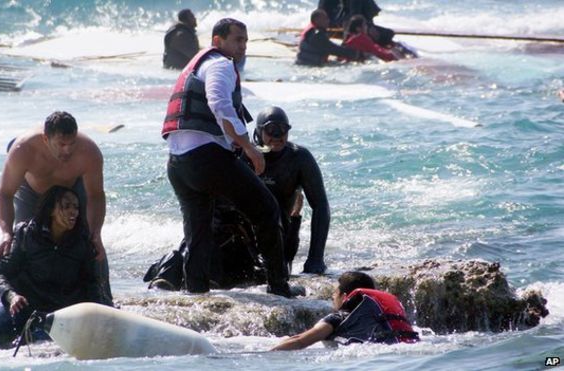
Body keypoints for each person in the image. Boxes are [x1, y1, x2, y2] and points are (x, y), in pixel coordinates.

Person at [162, 18, 297, 297]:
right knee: (266, 209)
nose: (243, 46)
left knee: (198, 229)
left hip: (178, 164)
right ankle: (279, 287)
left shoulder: (197, 66)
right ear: (217, 42)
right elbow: (220, 104)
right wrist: (248, 147)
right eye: (237, 39)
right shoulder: (220, 64)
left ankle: (196, 291)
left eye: (246, 40)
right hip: (207, 159)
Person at [0, 186, 104, 355]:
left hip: (57, 312)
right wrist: (11, 296)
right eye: (66, 206)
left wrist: (101, 315)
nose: (73, 211)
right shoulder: (27, 234)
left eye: (76, 207)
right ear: (51, 210)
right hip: (21, 305)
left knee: (31, 344)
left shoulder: (82, 242)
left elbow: (92, 283)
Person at [0, 111, 112, 305]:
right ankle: (14, 303)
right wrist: (6, 233)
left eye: (71, 143)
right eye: (61, 144)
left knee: (91, 245)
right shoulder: (23, 149)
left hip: (71, 191)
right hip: (32, 193)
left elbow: (96, 196)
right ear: (45, 138)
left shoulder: (89, 152)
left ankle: (104, 303)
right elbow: (5, 194)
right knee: (20, 243)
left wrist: (96, 233)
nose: (67, 151)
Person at [252, 106, 330, 274]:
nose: (277, 136)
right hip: (249, 232)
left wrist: (315, 259)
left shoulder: (299, 158)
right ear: (258, 132)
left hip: (282, 234)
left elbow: (321, 206)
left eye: (283, 129)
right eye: (271, 129)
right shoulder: (247, 155)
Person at [271, 271, 419, 351]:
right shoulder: (380, 316)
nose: (332, 296)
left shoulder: (338, 318)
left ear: (344, 297)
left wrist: (268, 354)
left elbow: (300, 341)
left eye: (335, 293)